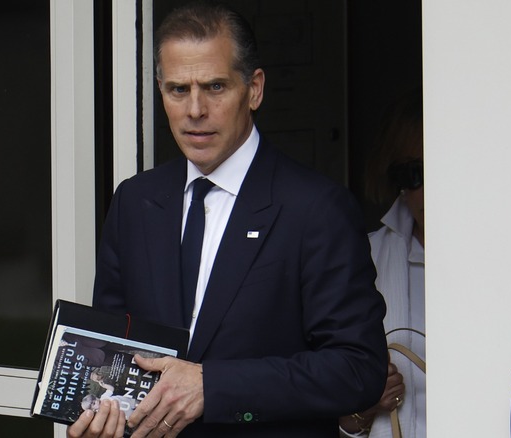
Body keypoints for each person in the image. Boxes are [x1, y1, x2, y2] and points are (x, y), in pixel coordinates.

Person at [68, 2, 388, 437]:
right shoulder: (135, 201)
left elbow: (357, 369)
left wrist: (212, 387)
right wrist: (97, 414)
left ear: (254, 89)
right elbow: (111, 353)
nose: (195, 109)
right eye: (178, 89)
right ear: (160, 91)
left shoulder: (316, 209)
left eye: (215, 87)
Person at [339, 89, 425, 437]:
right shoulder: (364, 259)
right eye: (413, 173)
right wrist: (364, 407)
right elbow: (340, 425)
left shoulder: (507, 263)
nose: (429, 190)